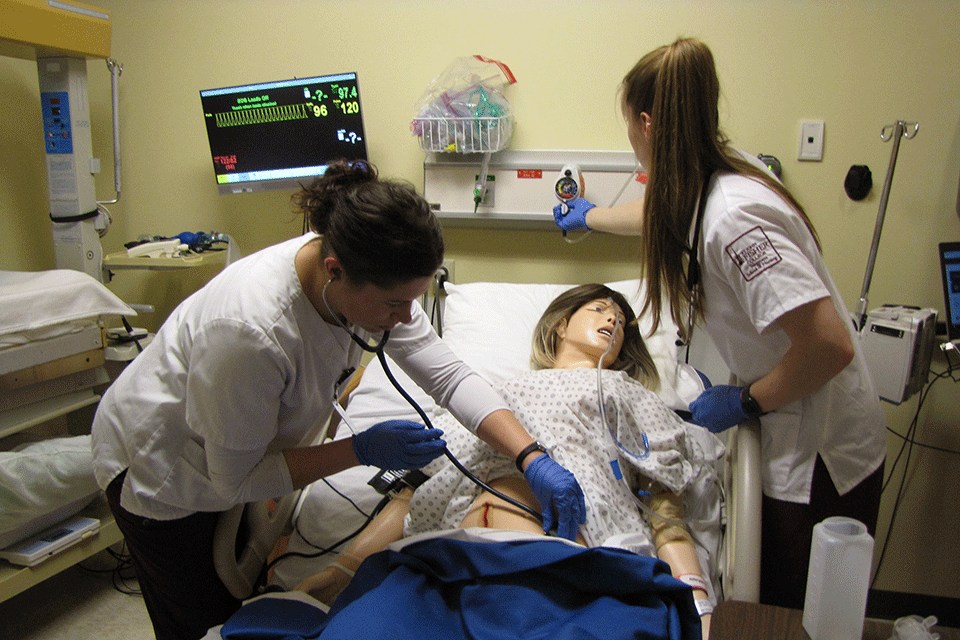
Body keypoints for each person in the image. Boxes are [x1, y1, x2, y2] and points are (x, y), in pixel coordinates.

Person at [91, 160, 585, 640]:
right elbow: (234, 478)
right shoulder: (250, 333)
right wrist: (360, 450)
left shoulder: (368, 273)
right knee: (201, 621)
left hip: (234, 447)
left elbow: (450, 377)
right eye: (395, 305)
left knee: (243, 595)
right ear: (335, 270)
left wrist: (531, 456)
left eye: (413, 300)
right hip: (162, 464)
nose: (406, 316)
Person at [552, 38, 886, 609]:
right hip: (792, 419)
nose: (629, 139)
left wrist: (746, 402)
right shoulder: (711, 171)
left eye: (629, 126)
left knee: (793, 614)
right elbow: (658, 208)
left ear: (649, 123)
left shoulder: (733, 219)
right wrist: (592, 216)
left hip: (820, 448)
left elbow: (829, 346)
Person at [295, 284, 722, 639]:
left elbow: (663, 505)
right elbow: (417, 489)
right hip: (444, 563)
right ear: (560, 326)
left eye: (622, 323)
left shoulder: (626, 393)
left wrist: (699, 607)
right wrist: (341, 570)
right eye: (598, 309)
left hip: (560, 568)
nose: (612, 321)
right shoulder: (488, 399)